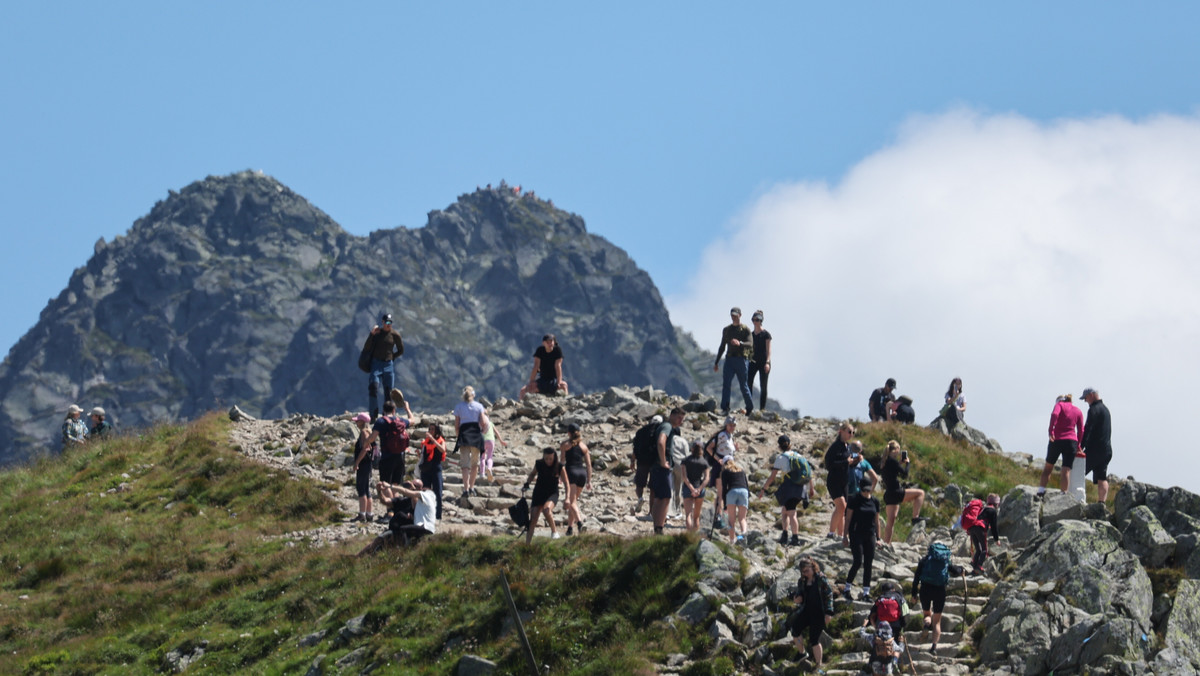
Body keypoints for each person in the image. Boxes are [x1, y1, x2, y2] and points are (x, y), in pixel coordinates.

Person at [758, 434, 815, 547]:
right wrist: (811, 489)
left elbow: (772, 477)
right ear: (790, 445)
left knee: (791, 513)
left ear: (779, 447)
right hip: (801, 488)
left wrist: (763, 489)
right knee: (785, 510)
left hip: (790, 488)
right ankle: (785, 534)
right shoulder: (799, 456)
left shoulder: (781, 458)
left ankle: (795, 538)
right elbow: (809, 474)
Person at [357, 480, 438, 556]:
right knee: (377, 541)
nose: (411, 487)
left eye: (415, 486)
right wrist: (379, 491)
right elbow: (385, 501)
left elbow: (411, 496)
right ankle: (357, 557)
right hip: (396, 529)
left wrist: (390, 486)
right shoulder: (404, 501)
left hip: (405, 531)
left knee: (383, 540)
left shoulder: (422, 502)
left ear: (420, 489)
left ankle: (401, 552)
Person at [362, 400, 411, 522]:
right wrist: (407, 409)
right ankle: (398, 512)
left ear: (384, 410)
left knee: (385, 485)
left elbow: (373, 437)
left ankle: (390, 513)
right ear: (394, 410)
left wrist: (365, 443)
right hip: (400, 457)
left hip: (387, 457)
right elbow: (413, 420)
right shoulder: (401, 420)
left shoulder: (381, 421)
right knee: (395, 485)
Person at [912, 541, 963, 655]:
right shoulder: (945, 561)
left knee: (926, 614)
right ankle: (934, 647)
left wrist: (914, 594)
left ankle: (926, 624)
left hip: (925, 589)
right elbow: (955, 570)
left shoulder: (924, 561)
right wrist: (962, 570)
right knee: (937, 621)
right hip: (940, 591)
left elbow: (916, 579)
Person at [790, 557, 835, 672]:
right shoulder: (802, 581)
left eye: (807, 570)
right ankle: (802, 653)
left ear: (813, 567)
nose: (805, 573)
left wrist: (829, 612)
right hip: (806, 611)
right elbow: (799, 594)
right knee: (795, 630)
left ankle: (819, 664)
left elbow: (829, 595)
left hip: (819, 613)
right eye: (803, 571)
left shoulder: (821, 579)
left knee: (814, 639)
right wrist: (796, 599)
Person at [842, 478, 883, 601]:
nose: (866, 493)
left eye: (868, 490)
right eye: (864, 490)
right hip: (856, 534)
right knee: (858, 561)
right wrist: (845, 536)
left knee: (868, 563)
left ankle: (866, 592)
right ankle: (847, 588)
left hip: (870, 534)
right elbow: (848, 518)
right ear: (860, 488)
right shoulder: (854, 499)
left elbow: (877, 521)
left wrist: (879, 538)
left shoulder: (875, 501)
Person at [880, 440, 927, 544]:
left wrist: (900, 463)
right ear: (896, 450)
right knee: (920, 493)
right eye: (898, 450)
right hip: (896, 492)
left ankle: (886, 544)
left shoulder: (885, 461)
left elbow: (893, 471)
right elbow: (905, 474)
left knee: (890, 522)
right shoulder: (893, 462)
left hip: (888, 494)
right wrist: (908, 463)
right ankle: (915, 517)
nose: (899, 453)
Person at [1040, 394, 1083, 497]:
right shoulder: (1078, 411)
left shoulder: (1059, 405)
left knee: (1048, 467)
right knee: (1066, 470)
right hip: (1071, 441)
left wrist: (1051, 431)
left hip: (1057, 439)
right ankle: (1064, 493)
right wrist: (1078, 445)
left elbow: (1055, 414)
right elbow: (1081, 430)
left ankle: (1041, 491)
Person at [713, 307, 754, 414]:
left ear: (740, 315)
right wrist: (716, 362)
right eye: (732, 315)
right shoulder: (726, 330)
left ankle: (749, 408)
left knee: (743, 385)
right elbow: (722, 346)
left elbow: (750, 343)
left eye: (735, 315)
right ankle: (725, 408)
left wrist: (740, 343)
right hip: (729, 360)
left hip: (741, 360)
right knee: (726, 384)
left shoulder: (745, 329)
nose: (734, 317)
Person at [363, 313, 404, 420]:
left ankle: (388, 415)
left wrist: (392, 357)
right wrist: (371, 334)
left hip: (388, 365)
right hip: (376, 364)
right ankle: (373, 414)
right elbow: (367, 347)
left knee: (389, 392)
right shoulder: (377, 334)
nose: (388, 324)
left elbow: (401, 350)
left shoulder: (395, 335)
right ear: (382, 322)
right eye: (386, 322)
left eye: (390, 322)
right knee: (373, 387)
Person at [523, 447, 568, 544]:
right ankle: (527, 545)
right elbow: (532, 474)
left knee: (546, 510)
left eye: (550, 459)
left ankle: (554, 531)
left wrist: (567, 498)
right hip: (539, 492)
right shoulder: (539, 463)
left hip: (552, 493)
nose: (548, 461)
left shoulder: (559, 466)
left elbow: (566, 483)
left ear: (554, 457)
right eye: (546, 458)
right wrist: (527, 483)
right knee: (533, 518)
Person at [650, 408, 685, 534]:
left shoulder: (663, 426)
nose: (680, 421)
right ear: (672, 415)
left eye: (682, 419)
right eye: (679, 418)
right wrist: (663, 461)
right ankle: (659, 528)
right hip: (662, 467)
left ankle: (657, 527)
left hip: (655, 466)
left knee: (659, 497)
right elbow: (661, 442)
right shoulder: (667, 426)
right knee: (666, 497)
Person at [453, 386, 490, 501]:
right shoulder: (479, 406)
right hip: (475, 436)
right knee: (475, 464)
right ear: (473, 394)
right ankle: (472, 487)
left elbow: (457, 425)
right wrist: (482, 433)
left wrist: (458, 435)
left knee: (465, 465)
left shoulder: (458, 407)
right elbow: (484, 422)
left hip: (464, 436)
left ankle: (465, 489)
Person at [1080, 387, 1113, 502]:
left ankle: (1075, 499)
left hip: (1094, 450)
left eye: (1086, 398)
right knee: (1101, 477)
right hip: (1106, 450)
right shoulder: (1106, 410)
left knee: (1078, 472)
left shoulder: (1093, 409)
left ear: (1092, 395)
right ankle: (1101, 503)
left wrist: (1081, 446)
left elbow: (1088, 429)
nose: (1085, 401)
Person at [560, 423, 593, 536]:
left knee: (572, 501)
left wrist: (560, 476)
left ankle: (579, 523)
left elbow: (562, 462)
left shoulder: (565, 445)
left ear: (569, 433)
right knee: (573, 502)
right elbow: (589, 465)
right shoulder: (584, 446)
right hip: (582, 474)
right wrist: (589, 481)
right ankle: (570, 528)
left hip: (571, 473)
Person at [824, 422, 854, 539]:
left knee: (844, 508)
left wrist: (853, 461)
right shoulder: (835, 446)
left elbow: (847, 462)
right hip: (834, 480)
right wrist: (845, 462)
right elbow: (829, 464)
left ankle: (841, 535)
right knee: (841, 506)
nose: (851, 434)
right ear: (841, 432)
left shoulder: (848, 447)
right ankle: (831, 533)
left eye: (853, 432)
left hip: (844, 481)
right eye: (849, 432)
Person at [630, 415, 663, 516]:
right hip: (655, 462)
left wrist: (632, 461)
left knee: (639, 483)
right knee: (653, 487)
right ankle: (651, 511)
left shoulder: (641, 431)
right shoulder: (660, 431)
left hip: (642, 461)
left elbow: (635, 448)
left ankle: (640, 497)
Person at [960, 493, 1000, 574]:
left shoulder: (983, 509)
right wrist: (997, 539)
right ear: (996, 503)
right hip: (980, 528)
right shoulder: (992, 511)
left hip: (971, 528)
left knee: (978, 549)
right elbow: (994, 527)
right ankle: (978, 567)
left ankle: (974, 568)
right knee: (984, 550)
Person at [351, 412, 377, 522]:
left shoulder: (363, 433)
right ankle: (369, 514)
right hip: (368, 464)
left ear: (362, 422)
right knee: (366, 488)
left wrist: (356, 462)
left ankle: (362, 514)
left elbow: (365, 449)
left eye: (358, 420)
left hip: (363, 464)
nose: (356, 422)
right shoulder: (370, 432)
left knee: (361, 487)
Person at [718, 457, 750, 545]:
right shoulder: (741, 470)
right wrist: (748, 497)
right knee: (742, 518)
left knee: (731, 520)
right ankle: (743, 537)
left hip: (732, 492)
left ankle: (732, 540)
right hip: (744, 492)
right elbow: (746, 485)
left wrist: (725, 504)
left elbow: (725, 488)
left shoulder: (725, 472)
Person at [680, 440, 711, 533]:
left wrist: (692, 489)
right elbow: (706, 479)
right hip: (699, 489)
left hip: (687, 489)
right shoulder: (704, 462)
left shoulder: (685, 461)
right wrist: (698, 489)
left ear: (692, 449)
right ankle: (695, 536)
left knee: (688, 515)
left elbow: (684, 477)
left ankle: (689, 535)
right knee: (696, 517)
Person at [419, 422, 447, 519]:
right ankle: (426, 513)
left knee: (437, 492)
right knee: (425, 491)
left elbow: (442, 450)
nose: (430, 431)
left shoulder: (440, 440)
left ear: (436, 431)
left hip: (436, 468)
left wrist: (433, 440)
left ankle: (438, 515)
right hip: (426, 469)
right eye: (429, 429)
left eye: (433, 429)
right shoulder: (426, 442)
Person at [746, 310, 772, 412]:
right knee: (749, 383)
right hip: (753, 361)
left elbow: (768, 350)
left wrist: (768, 362)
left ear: (761, 321)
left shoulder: (766, 334)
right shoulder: (751, 335)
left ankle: (762, 409)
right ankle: (749, 407)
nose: (755, 321)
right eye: (754, 319)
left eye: (757, 320)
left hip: (764, 362)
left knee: (763, 386)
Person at [668, 419, 690, 520]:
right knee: (678, 488)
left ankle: (668, 511)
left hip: (670, 464)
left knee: (670, 488)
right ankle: (677, 511)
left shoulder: (669, 439)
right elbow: (687, 456)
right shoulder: (683, 441)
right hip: (681, 465)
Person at [479, 415, 507, 484]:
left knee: (482, 457)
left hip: (482, 441)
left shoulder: (479, 424)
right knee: (490, 457)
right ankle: (489, 468)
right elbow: (497, 432)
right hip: (491, 441)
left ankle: (482, 473)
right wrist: (501, 441)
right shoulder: (491, 423)